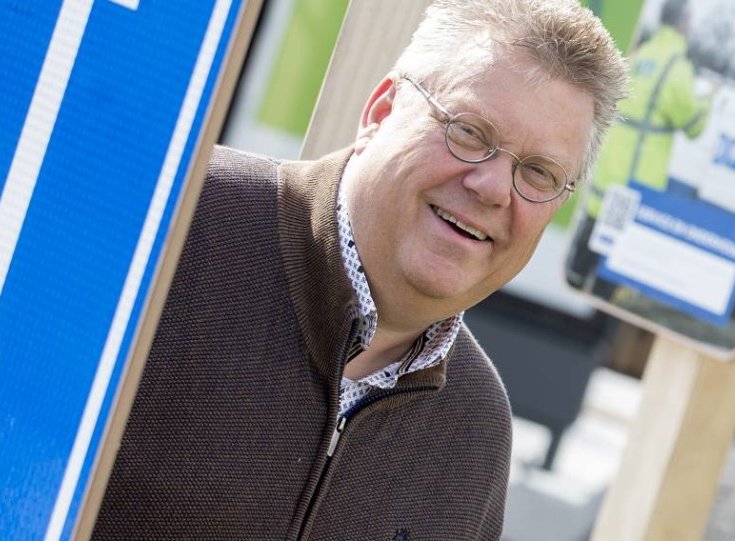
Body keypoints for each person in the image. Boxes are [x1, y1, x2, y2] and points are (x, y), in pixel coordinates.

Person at [88, 0, 625, 538]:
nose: (491, 189)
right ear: (382, 111)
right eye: (469, 132)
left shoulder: (476, 431)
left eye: (538, 173)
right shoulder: (175, 223)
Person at [567, 0, 713, 285]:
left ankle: (574, 282)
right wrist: (709, 100)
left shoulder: (640, 54)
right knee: (615, 258)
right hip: (637, 179)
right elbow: (693, 125)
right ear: (683, 23)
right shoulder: (676, 66)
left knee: (589, 242)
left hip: (610, 170)